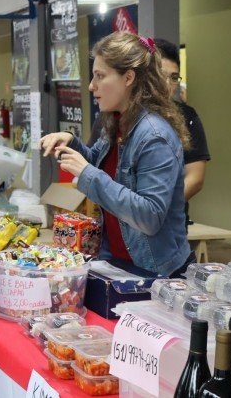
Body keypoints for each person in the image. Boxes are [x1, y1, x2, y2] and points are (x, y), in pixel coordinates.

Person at [41, 32, 194, 278]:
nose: (92, 85)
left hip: (156, 273)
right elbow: (108, 171)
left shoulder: (154, 136)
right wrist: (73, 144)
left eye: (100, 76)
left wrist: (87, 173)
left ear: (128, 78)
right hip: (119, 262)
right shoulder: (116, 122)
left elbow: (149, 216)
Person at [154, 39, 211, 211]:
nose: (167, 84)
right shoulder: (124, 113)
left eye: (173, 78)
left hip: (168, 220)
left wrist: (158, 211)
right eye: (161, 76)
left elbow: (195, 178)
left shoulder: (187, 116)